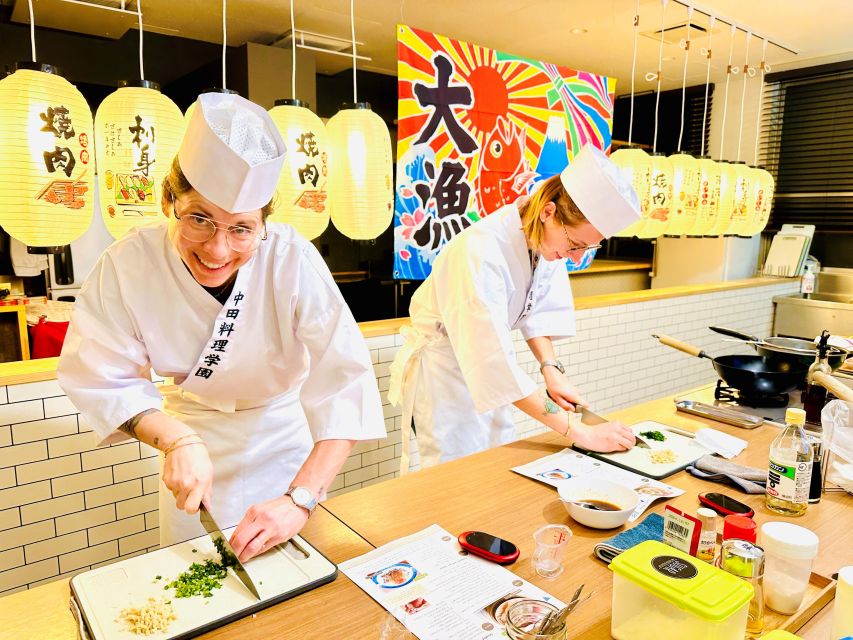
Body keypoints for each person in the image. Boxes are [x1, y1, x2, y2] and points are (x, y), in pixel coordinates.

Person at [58, 93, 386, 561]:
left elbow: (346, 379)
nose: (217, 251)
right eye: (199, 219)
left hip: (284, 445)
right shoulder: (128, 263)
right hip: (190, 443)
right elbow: (99, 376)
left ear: (263, 223)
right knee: (197, 586)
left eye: (241, 229)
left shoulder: (291, 257)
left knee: (296, 590)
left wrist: (301, 499)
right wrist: (174, 439)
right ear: (168, 200)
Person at [389, 144, 640, 471]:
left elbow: (538, 309)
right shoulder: (479, 253)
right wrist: (578, 431)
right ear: (548, 212)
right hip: (445, 375)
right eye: (575, 245)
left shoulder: (542, 240)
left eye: (587, 248)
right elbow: (493, 364)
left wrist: (551, 370)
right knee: (454, 471)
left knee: (496, 457)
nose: (577, 258)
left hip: (487, 366)